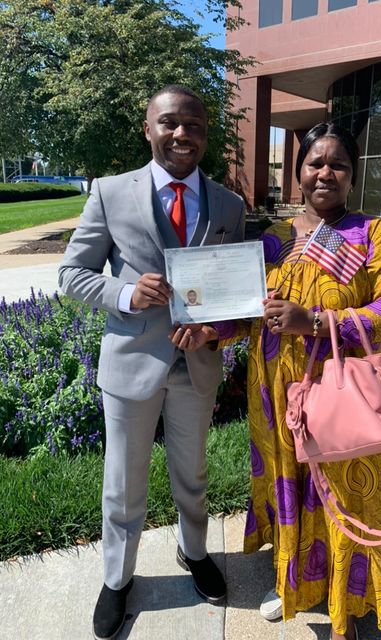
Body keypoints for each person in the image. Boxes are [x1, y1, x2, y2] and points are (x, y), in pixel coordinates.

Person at [173, 122, 381, 639]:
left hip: (343, 393)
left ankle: (347, 600)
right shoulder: (273, 241)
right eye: (315, 163)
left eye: (339, 165)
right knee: (293, 485)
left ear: (352, 176)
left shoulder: (374, 235)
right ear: (299, 172)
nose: (326, 173)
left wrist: (318, 321)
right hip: (277, 395)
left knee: (346, 490)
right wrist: (208, 329)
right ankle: (296, 582)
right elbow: (248, 311)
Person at [58, 84, 245, 640]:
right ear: (148, 129)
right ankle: (117, 579)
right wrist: (123, 293)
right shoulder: (111, 192)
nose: (182, 134)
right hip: (131, 363)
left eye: (193, 124)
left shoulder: (230, 204)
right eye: (169, 123)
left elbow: (234, 292)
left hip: (198, 368)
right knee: (122, 481)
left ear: (205, 134)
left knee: (193, 474)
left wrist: (216, 327)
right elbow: (72, 273)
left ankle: (194, 553)